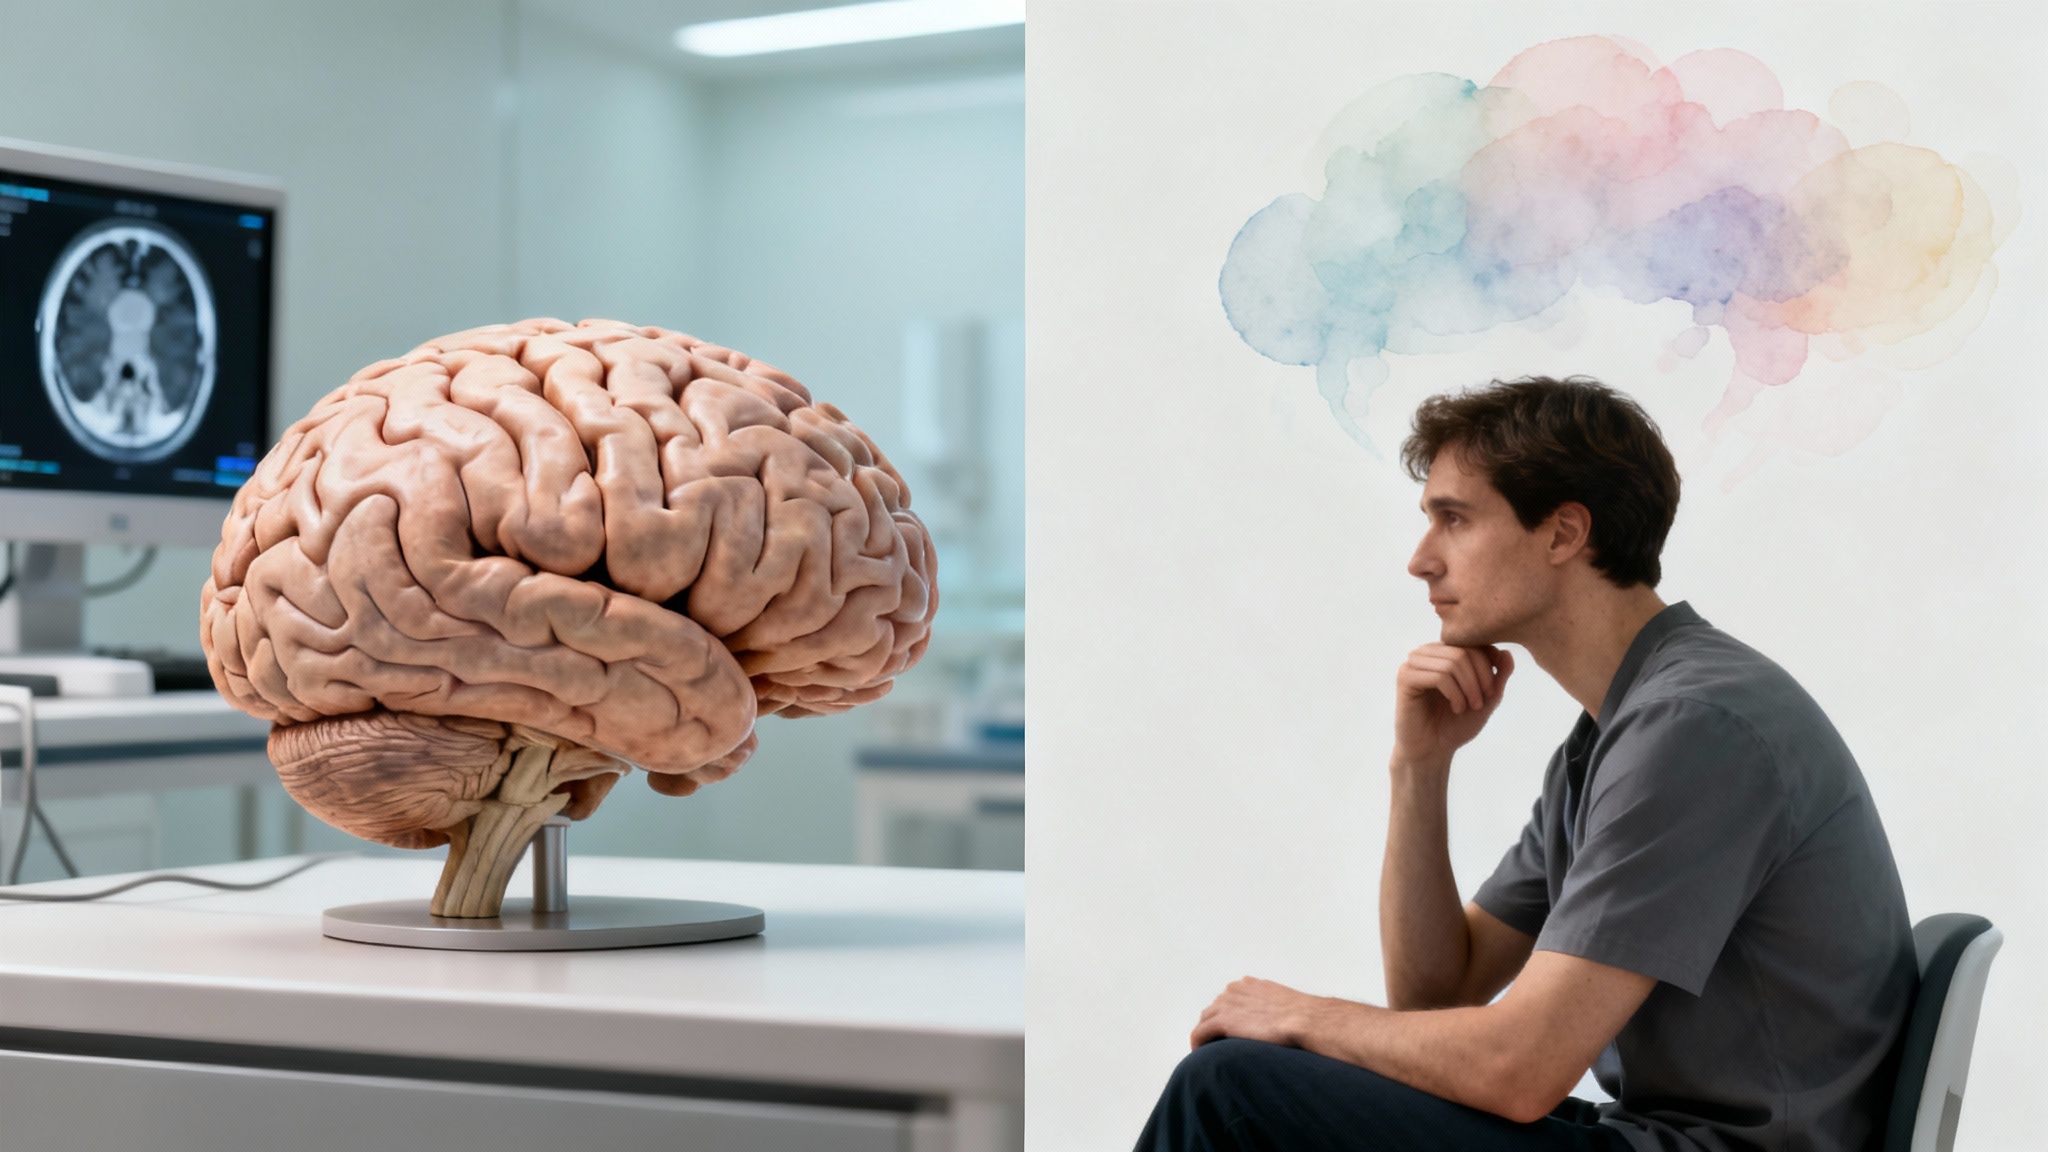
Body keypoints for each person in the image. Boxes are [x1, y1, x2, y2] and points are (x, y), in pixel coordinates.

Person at [1135, 376, 1916, 1152]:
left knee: (1228, 1087)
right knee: (1262, 1078)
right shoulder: (1615, 733)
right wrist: (1419, 768)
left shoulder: (1694, 728)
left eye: (1454, 519)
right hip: (1659, 1136)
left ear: (1563, 534)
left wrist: (1305, 1017)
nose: (1420, 560)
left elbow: (1521, 1071)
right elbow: (1435, 996)